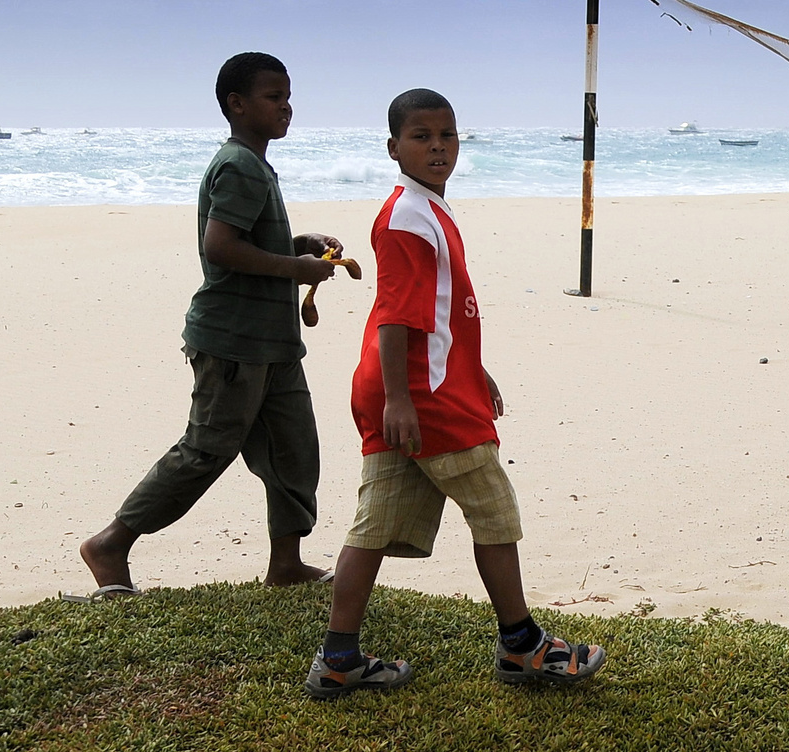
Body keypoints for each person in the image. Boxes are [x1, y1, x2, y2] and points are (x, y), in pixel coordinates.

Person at [303, 88, 605, 699]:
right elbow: (395, 316)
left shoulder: (426, 208)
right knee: (493, 507)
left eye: (447, 135)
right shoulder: (407, 217)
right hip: (422, 396)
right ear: (393, 148)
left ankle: (338, 660)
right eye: (421, 136)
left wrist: (477, 367)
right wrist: (401, 400)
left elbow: (442, 314)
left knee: (375, 524)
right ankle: (522, 647)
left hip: (415, 388)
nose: (437, 145)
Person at [79, 52, 340, 597]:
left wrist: (300, 245)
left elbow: (249, 243)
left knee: (294, 449)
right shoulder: (239, 165)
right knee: (205, 451)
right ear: (236, 104)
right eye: (274, 97)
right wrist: (297, 268)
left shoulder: (254, 163)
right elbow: (220, 248)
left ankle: (287, 564)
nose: (286, 106)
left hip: (273, 344)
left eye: (288, 95)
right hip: (234, 342)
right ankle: (110, 544)